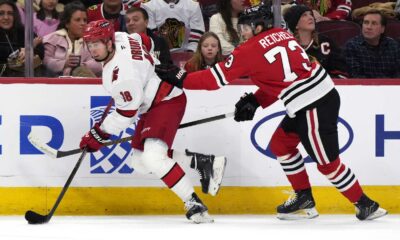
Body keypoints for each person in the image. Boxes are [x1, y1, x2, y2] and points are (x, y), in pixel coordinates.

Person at [155, 2, 388, 221]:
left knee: (327, 163)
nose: (242, 33)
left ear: (258, 26)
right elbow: (282, 79)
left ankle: (365, 204)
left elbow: (212, 79)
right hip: (310, 99)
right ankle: (304, 198)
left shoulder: (249, 50)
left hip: (312, 104)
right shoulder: (283, 34)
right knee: (281, 144)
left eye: (245, 28)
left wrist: (181, 78)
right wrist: (257, 100)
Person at [79, 19, 227, 223]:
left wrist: (100, 133)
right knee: (139, 162)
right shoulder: (123, 37)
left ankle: (194, 204)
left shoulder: (123, 76)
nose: (93, 49)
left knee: (153, 159)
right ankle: (202, 162)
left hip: (167, 100)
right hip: (153, 102)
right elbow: (147, 41)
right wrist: (157, 64)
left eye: (97, 43)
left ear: (109, 42)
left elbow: (126, 114)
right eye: (90, 44)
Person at [284, 4, 347, 78]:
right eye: (304, 15)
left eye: (311, 14)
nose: (310, 17)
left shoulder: (326, 42)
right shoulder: (287, 47)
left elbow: (341, 71)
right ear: (296, 24)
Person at [42, 1, 102, 77]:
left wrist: (79, 66)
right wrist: (64, 63)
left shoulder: (92, 41)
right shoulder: (53, 39)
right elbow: (46, 61)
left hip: (84, 83)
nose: (83, 23)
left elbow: (99, 63)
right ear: (67, 23)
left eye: (85, 20)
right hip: (55, 83)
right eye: (78, 20)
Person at [344, 9, 400, 78]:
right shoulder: (351, 46)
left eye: (374, 23)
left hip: (390, 87)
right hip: (363, 87)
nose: (368, 27)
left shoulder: (393, 46)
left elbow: (397, 74)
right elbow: (356, 76)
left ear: (382, 29)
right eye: (366, 22)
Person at [0, 0, 44, 77]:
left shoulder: (22, 31)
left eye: (10, 13)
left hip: (22, 78)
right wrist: (24, 49)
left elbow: (41, 50)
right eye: (1, 13)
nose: (6, 17)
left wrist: (29, 51)